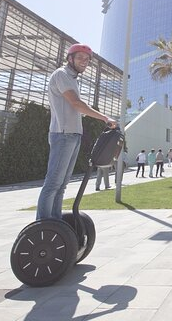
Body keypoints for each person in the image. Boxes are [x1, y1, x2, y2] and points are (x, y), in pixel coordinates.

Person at [36, 44, 118, 220]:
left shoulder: (72, 79)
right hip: (63, 134)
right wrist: (105, 118)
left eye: (87, 59)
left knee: (62, 185)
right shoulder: (62, 74)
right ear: (70, 58)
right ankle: (42, 226)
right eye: (80, 57)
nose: (84, 62)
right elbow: (76, 104)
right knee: (53, 184)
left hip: (73, 135)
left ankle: (55, 224)